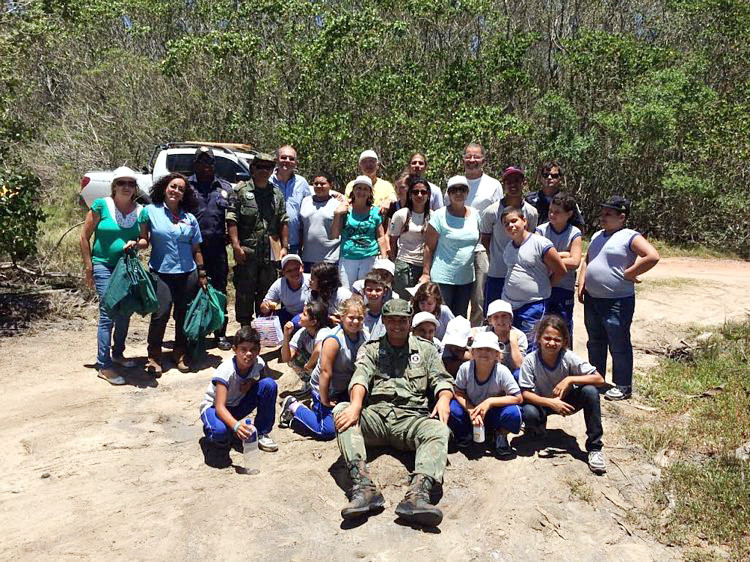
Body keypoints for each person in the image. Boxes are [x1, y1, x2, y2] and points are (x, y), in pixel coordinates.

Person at [333, 299, 455, 526]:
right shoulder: (371, 348)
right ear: (384, 321)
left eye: (402, 320)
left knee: (439, 428)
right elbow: (360, 377)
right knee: (342, 410)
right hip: (376, 417)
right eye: (391, 320)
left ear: (410, 322)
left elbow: (442, 380)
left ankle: (418, 496)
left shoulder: (426, 349)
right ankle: (363, 488)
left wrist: (444, 399)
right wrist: (356, 405)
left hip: (411, 419)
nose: (397, 325)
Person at [578, 196, 660, 401]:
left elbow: (652, 256)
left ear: (621, 217)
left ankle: (623, 385)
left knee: (618, 342)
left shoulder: (630, 236)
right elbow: (588, 259)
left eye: (608, 214)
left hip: (617, 300)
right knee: (595, 341)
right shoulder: (598, 235)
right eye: (603, 213)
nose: (603, 217)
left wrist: (630, 273)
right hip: (593, 299)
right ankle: (596, 379)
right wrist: (582, 282)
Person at [137, 172, 207, 376]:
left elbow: (197, 249)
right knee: (161, 313)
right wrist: (136, 244)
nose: (176, 191)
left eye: (181, 189)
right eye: (173, 186)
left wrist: (202, 273)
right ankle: (154, 356)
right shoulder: (149, 211)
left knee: (183, 315)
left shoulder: (190, 218)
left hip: (188, 273)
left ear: (185, 194)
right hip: (161, 271)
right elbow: (144, 239)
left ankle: (180, 352)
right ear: (164, 188)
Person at [518, 315, 606, 474]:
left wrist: (570, 379)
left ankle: (595, 448)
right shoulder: (530, 360)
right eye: (547, 338)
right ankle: (537, 427)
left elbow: (599, 379)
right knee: (529, 412)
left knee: (590, 391)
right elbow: (524, 393)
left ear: (564, 342)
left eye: (557, 340)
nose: (551, 343)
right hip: (541, 403)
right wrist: (551, 403)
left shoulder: (568, 357)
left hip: (566, 401)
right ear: (539, 338)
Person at [80, 166, 142, 385]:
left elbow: (145, 239)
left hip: (125, 269)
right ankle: (103, 365)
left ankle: (118, 353)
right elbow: (84, 237)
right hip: (103, 266)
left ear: (135, 188)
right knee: (108, 311)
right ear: (114, 186)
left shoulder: (139, 210)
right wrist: (89, 267)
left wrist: (136, 243)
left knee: (124, 311)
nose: (126, 187)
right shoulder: (101, 205)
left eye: (130, 183)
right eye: (121, 183)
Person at [281, 297, 367, 440]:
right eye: (351, 317)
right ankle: (294, 406)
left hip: (345, 387)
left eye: (360, 318)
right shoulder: (334, 339)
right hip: (327, 388)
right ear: (342, 317)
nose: (356, 322)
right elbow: (325, 372)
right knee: (327, 431)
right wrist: (324, 398)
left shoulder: (364, 336)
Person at [443, 143, 503, 326]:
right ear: (463, 159)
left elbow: (499, 217)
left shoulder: (493, 185)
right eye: (469, 156)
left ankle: (476, 334)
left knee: (479, 297)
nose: (472, 160)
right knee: (455, 298)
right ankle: (454, 336)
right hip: (455, 249)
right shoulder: (455, 183)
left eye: (476, 157)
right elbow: (446, 211)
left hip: (481, 247)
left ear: (483, 160)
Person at [227, 152, 289, 326]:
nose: (264, 170)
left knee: (267, 291)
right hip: (247, 251)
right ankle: (245, 327)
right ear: (252, 168)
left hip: (271, 252)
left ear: (272, 170)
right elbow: (232, 219)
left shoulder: (277, 194)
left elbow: (283, 221)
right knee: (245, 291)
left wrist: (284, 247)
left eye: (268, 167)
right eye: (260, 166)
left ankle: (263, 329)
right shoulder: (240, 191)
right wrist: (236, 246)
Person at [199, 326, 279, 454]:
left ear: (259, 350)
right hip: (214, 408)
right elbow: (220, 407)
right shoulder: (226, 370)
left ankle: (262, 433)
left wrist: (252, 381)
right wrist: (236, 426)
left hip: (237, 406)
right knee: (220, 434)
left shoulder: (259, 363)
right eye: (243, 349)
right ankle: (213, 432)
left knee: (270, 385)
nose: (248, 354)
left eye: (253, 350)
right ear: (234, 349)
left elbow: (264, 383)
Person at [448, 331, 523, 457]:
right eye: (480, 349)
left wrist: (490, 402)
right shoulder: (466, 368)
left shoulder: (501, 371)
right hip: (471, 410)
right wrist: (471, 410)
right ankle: (465, 433)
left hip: (493, 412)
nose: (484, 352)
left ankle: (500, 434)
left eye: (489, 349)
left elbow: (518, 397)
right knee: (452, 409)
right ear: (472, 352)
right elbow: (458, 392)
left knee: (514, 413)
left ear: (496, 354)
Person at [501, 207, 567, 348]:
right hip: (510, 305)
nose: (511, 226)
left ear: (524, 221)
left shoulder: (540, 243)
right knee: (513, 344)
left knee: (530, 345)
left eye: (514, 221)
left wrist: (546, 286)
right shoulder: (509, 247)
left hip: (533, 305)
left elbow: (560, 270)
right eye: (506, 224)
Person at [188, 146, 233, 350]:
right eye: (201, 162)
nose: (206, 166)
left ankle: (220, 333)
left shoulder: (224, 187)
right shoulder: (186, 187)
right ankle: (194, 332)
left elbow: (233, 217)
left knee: (220, 291)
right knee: (193, 291)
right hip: (191, 249)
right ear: (195, 164)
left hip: (218, 250)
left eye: (209, 162)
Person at [480, 166, 539, 311]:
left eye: (517, 181)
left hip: (522, 273)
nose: (513, 185)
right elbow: (486, 240)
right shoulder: (491, 212)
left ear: (523, 183)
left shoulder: (531, 213)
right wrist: (497, 257)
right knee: (493, 316)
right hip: (497, 273)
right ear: (503, 184)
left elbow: (529, 240)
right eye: (509, 182)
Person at [422, 175, 481, 317]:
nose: (458, 193)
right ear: (448, 193)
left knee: (459, 319)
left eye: (462, 189)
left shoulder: (476, 215)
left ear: (467, 192)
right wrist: (425, 273)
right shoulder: (439, 216)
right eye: (454, 190)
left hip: (466, 278)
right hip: (442, 277)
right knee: (441, 316)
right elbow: (429, 246)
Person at [536, 192, 583, 337]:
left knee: (563, 326)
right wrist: (564, 254)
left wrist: (551, 258)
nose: (552, 215)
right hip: (543, 286)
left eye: (557, 212)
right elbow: (537, 258)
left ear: (569, 214)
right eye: (550, 211)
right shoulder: (541, 230)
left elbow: (575, 262)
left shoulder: (574, 233)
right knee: (542, 326)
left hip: (564, 288)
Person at [331, 175, 388, 289]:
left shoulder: (375, 212)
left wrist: (384, 257)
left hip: (369, 257)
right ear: (353, 190)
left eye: (365, 189)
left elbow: (381, 237)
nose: (362, 192)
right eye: (359, 188)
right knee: (346, 292)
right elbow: (334, 235)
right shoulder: (345, 210)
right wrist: (337, 214)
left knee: (366, 291)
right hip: (348, 257)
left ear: (370, 193)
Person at [279, 300, 332, 406]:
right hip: (315, 368)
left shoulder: (324, 331)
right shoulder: (302, 332)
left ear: (313, 322)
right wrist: (286, 336)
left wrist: (308, 365)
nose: (299, 316)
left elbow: (318, 350)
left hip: (329, 371)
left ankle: (321, 390)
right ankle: (310, 384)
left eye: (304, 314)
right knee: (293, 360)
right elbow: (286, 358)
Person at [388, 174, 432, 296]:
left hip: (425, 267)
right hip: (404, 265)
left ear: (428, 195)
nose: (419, 195)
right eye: (415, 192)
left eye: (423, 192)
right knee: (403, 301)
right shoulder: (401, 215)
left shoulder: (433, 216)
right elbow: (392, 241)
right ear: (410, 194)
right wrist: (394, 264)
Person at [271, 144, 312, 255]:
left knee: (292, 272)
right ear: (276, 160)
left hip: (294, 242)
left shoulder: (302, 183)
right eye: (283, 157)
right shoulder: (268, 181)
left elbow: (309, 208)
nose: (287, 161)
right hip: (271, 241)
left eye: (291, 158)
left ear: (296, 163)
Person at [298, 172, 341, 271]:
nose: (318, 186)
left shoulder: (338, 204)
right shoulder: (305, 201)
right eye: (316, 183)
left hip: (330, 258)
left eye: (323, 184)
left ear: (331, 185)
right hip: (307, 257)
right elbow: (301, 228)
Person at [524, 162, 584, 229]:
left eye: (554, 176)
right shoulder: (529, 199)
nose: (549, 178)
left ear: (560, 179)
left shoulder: (567, 201)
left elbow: (579, 226)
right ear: (540, 178)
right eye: (546, 175)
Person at [260, 254, 311, 327]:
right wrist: (265, 306)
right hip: (288, 313)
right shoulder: (279, 284)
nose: (294, 273)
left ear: (302, 267)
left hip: (307, 314)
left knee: (295, 322)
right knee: (266, 320)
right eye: (289, 270)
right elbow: (265, 303)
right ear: (283, 272)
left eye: (296, 269)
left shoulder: (311, 280)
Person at [484, 299, 527, 379]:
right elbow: (472, 331)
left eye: (504, 316)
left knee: (519, 374)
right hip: (490, 372)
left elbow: (520, 365)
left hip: (511, 374)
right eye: (496, 317)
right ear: (490, 320)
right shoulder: (485, 332)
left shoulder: (519, 336)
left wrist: (513, 342)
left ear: (510, 318)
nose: (500, 320)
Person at [362, 271, 388, 340]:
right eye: (369, 290)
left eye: (378, 290)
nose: (373, 293)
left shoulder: (389, 313)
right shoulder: (360, 313)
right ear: (364, 291)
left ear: (385, 292)